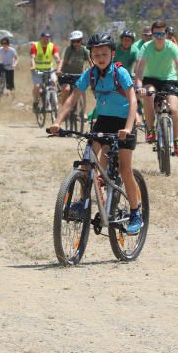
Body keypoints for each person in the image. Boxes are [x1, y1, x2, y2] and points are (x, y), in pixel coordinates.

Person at [50, 32, 143, 234]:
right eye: (96, 54)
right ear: (91, 56)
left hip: (124, 121)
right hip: (103, 121)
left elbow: (133, 100)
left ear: (112, 53)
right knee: (87, 163)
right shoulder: (90, 74)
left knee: (125, 169)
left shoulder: (120, 73)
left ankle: (136, 213)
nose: (100, 58)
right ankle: (82, 201)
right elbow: (72, 99)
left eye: (104, 54)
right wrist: (57, 122)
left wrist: (128, 128)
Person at [134, 20, 178, 156]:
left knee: (173, 109)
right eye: (156, 34)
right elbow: (139, 70)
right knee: (149, 95)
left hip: (169, 79)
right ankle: (150, 129)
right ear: (152, 35)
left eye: (161, 34)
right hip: (151, 79)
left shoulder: (171, 46)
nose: (159, 37)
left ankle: (176, 139)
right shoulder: (146, 47)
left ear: (166, 34)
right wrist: (139, 86)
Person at [30, 31, 60, 109]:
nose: (46, 40)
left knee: (53, 81)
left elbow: (56, 56)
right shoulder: (35, 46)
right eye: (44, 39)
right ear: (40, 39)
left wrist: (58, 63)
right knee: (37, 86)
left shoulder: (52, 46)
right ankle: (36, 102)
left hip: (49, 69)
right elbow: (32, 58)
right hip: (38, 70)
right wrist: (33, 66)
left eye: (48, 39)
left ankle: (52, 99)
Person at [58, 30, 89, 106]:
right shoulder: (68, 50)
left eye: (78, 41)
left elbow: (91, 61)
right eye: (73, 41)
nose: (75, 43)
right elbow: (62, 60)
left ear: (81, 40)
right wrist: (59, 70)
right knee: (66, 89)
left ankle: (83, 112)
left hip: (78, 75)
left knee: (82, 91)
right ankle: (63, 108)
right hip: (66, 75)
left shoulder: (84, 50)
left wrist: (96, 70)